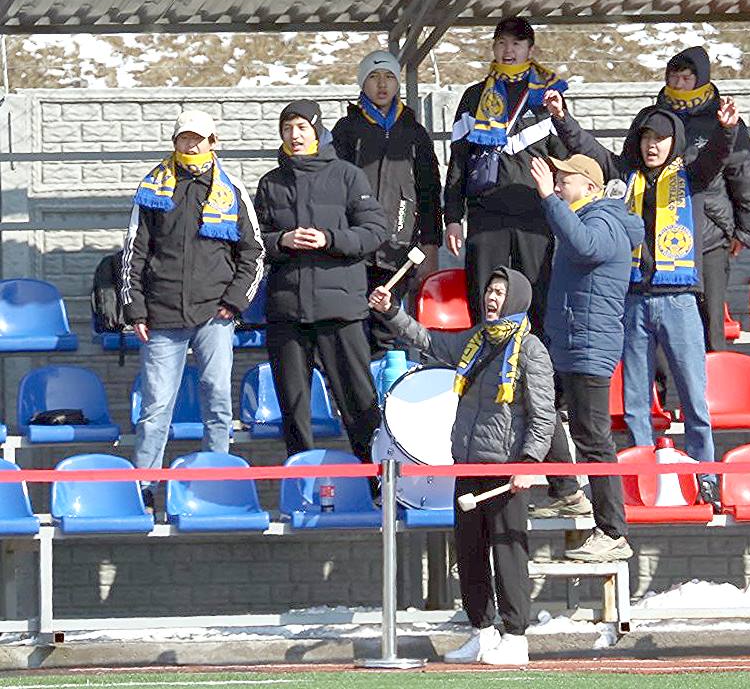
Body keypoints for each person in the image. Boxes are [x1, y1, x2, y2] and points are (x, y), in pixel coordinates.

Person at [542, 89, 739, 507]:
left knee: (694, 396)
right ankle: (641, 480)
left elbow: (717, 157)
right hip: (632, 299)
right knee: (635, 399)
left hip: (679, 299)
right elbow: (587, 148)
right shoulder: (623, 174)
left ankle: (705, 477)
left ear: (674, 142)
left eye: (661, 139)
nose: (652, 145)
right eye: (647, 137)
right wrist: (562, 118)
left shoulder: (691, 175)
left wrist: (726, 130)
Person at [368, 267, 554, 666]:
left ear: (516, 299)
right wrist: (391, 312)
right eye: (490, 290)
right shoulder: (476, 340)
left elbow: (544, 416)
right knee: (469, 553)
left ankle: (516, 637)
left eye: (500, 292)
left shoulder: (532, 349)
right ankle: (483, 632)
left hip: (505, 471)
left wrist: (528, 462)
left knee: (508, 554)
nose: (492, 297)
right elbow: (428, 340)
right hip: (466, 464)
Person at [122, 109, 264, 511]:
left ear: (213, 142)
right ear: (174, 142)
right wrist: (135, 310)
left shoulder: (232, 189)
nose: (191, 144)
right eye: (184, 138)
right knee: (155, 408)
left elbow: (253, 253)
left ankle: (215, 482)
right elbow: (133, 252)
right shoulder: (152, 187)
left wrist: (234, 301)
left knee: (218, 401)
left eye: (198, 138)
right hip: (161, 315)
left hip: (215, 315)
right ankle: (145, 489)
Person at [254, 100, 387, 465]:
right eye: (287, 129)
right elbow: (253, 241)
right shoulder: (270, 183)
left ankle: (376, 479)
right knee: (294, 409)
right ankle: (302, 480)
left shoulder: (348, 175)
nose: (294, 135)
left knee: (359, 405)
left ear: (317, 130)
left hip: (340, 311)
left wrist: (330, 239)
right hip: (287, 313)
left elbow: (375, 230)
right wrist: (282, 241)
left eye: (301, 127)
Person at [526, 154, 644, 561]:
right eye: (556, 181)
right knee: (538, 406)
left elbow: (585, 246)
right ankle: (565, 491)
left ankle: (613, 532)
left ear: (590, 187)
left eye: (565, 180)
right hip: (569, 343)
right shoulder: (587, 217)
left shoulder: (604, 219)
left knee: (593, 439)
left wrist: (549, 199)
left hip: (590, 346)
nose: (558, 185)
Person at [443, 15, 569, 333]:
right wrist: (453, 218)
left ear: (530, 49)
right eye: (501, 43)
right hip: (486, 214)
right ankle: (482, 360)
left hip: (534, 214)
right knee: (484, 298)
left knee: (538, 299)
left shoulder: (546, 95)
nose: (508, 50)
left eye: (516, 43)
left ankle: (537, 362)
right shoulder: (474, 96)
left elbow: (566, 157)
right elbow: (458, 162)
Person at [332, 50, 443, 358]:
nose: (382, 85)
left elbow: (430, 192)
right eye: (374, 77)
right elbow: (333, 191)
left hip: (398, 251)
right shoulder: (346, 130)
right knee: (352, 330)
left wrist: (431, 245)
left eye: (389, 77)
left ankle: (384, 386)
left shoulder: (414, 132)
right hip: (354, 250)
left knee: (388, 332)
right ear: (362, 83)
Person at [660, 47, 750, 351]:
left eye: (686, 78)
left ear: (701, 79)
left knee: (710, 322)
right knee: (664, 322)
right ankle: (664, 384)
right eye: (673, 78)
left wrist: (746, 231)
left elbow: (745, 176)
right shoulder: (656, 117)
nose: (678, 85)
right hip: (664, 234)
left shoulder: (723, 121)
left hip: (710, 235)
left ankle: (713, 380)